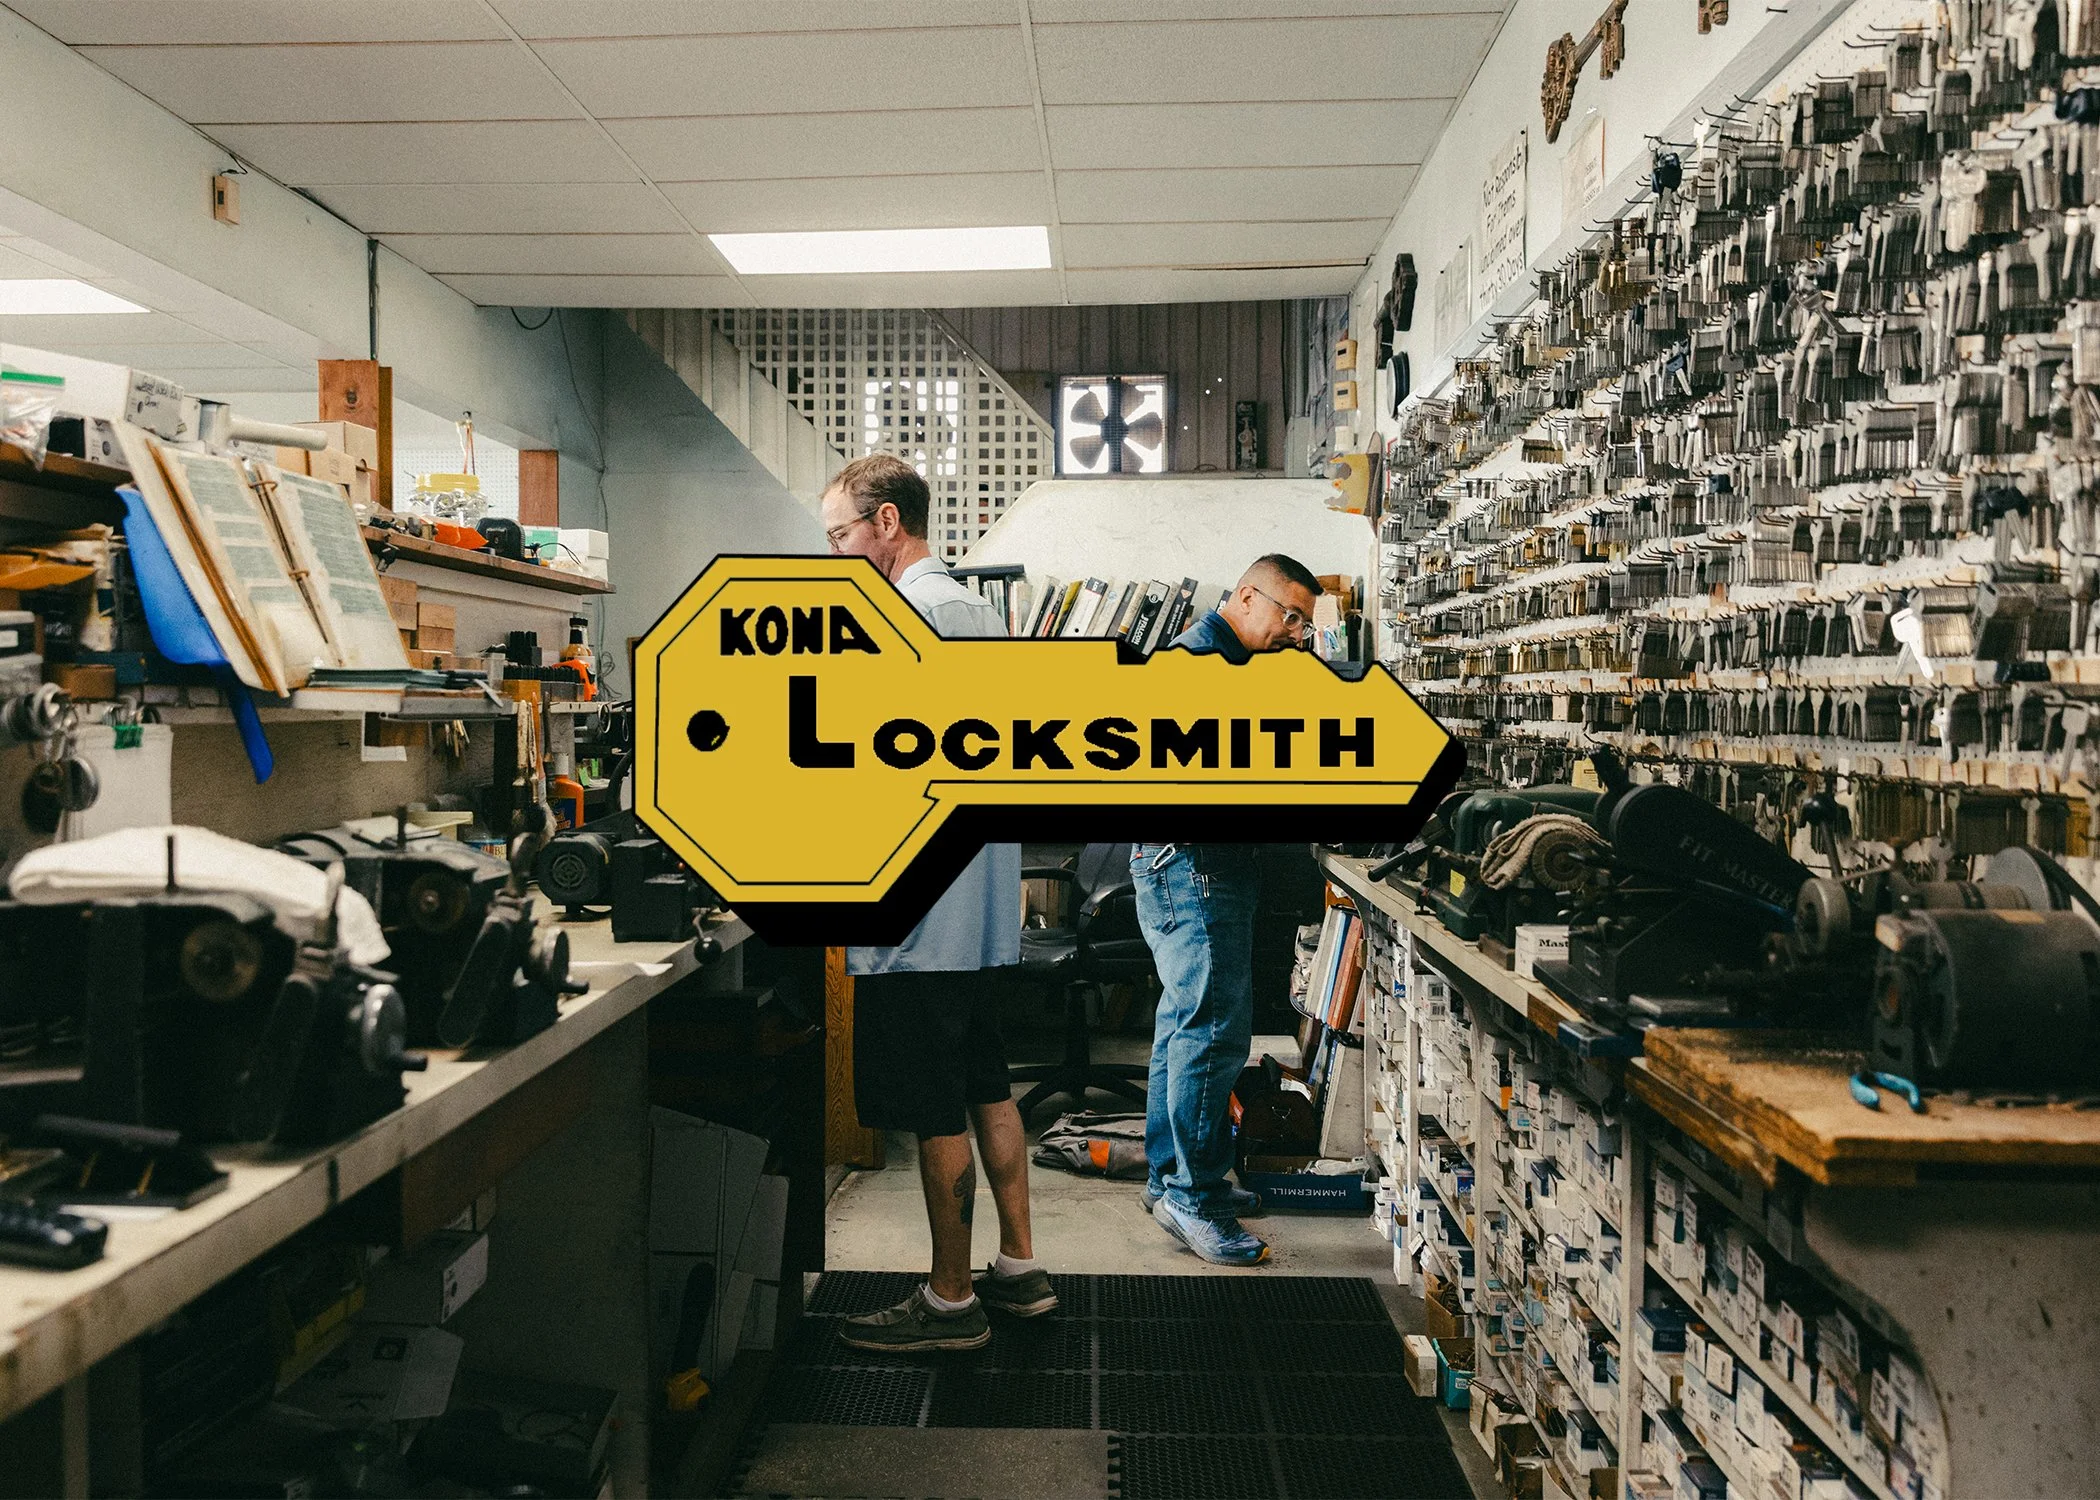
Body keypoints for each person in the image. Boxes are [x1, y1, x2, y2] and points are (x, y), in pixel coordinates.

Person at [821, 454, 1051, 1353]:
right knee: (987, 1085)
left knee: (933, 1107)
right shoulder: (976, 613)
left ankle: (950, 1302)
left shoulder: (913, 621)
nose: (836, 551)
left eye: (840, 533)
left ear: (886, 523)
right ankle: (1019, 1272)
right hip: (978, 910)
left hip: (922, 922)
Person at [1131, 554, 1323, 1266]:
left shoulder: (1231, 665)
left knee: (1182, 1027)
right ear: (1247, 597)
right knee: (1212, 1034)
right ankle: (1196, 1196)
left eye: (1306, 621)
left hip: (1190, 862)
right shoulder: (1202, 666)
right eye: (1290, 615)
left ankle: (1167, 1177)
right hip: (1196, 866)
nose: (1297, 633)